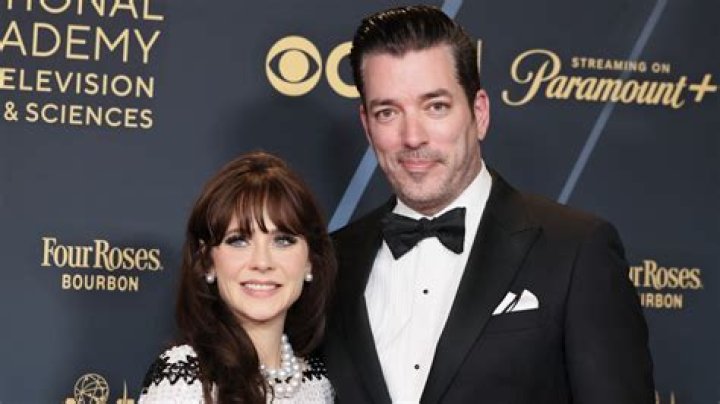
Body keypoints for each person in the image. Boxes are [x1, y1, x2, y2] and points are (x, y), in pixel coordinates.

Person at [323, 5, 654, 404]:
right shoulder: (331, 263)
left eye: (435, 106)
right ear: (367, 125)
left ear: (479, 113)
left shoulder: (576, 250)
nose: (412, 137)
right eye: (388, 112)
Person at [139, 151, 336, 403]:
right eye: (239, 240)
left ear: (310, 261)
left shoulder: (321, 384)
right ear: (207, 262)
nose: (262, 262)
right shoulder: (184, 381)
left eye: (283, 240)